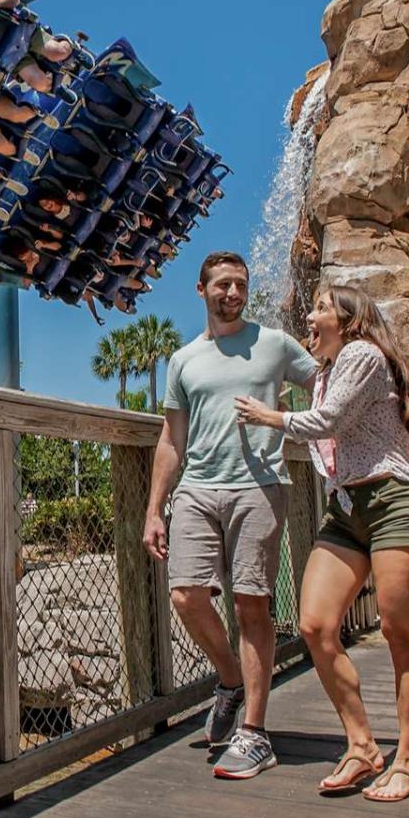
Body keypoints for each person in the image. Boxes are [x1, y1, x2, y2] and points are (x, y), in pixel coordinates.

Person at [234, 286, 409, 801]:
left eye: (322, 306)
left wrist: (270, 416)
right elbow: (324, 433)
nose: (311, 314)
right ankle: (363, 746)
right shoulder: (326, 371)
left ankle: (408, 762)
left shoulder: (363, 354)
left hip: (392, 502)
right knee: (316, 624)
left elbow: (327, 423)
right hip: (345, 511)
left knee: (399, 632)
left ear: (350, 321)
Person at [142, 251, 317, 779]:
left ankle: (255, 733)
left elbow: (330, 388)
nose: (233, 293)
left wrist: (288, 421)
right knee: (185, 594)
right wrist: (154, 509)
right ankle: (231, 679)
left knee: (251, 605)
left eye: (240, 284)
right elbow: (171, 438)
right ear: (201, 290)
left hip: (259, 488)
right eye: (222, 284)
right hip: (196, 489)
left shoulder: (275, 344)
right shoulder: (183, 360)